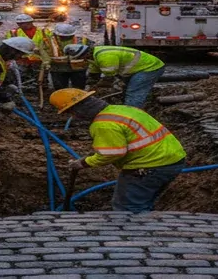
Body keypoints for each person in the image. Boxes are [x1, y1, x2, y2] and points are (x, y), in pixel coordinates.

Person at [51, 88, 186, 213]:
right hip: (172, 159)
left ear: (77, 111)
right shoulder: (121, 109)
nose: (72, 117)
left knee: (127, 208)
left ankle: (136, 235)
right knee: (142, 203)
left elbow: (112, 153)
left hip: (150, 165)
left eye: (70, 113)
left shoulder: (103, 124)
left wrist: (83, 163)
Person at [63, 44, 164, 110]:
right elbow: (94, 75)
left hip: (149, 67)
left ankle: (132, 115)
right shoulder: (93, 56)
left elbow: (108, 80)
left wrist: (95, 90)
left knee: (133, 92)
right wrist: (88, 87)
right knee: (126, 90)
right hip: (137, 69)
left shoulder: (105, 57)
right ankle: (129, 108)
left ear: (83, 55)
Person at [46, 23, 93, 90]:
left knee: (79, 89)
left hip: (78, 68)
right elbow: (43, 54)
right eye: (63, 36)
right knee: (60, 89)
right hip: (58, 69)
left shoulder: (82, 40)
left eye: (68, 36)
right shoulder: (48, 42)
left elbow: (90, 52)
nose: (65, 38)